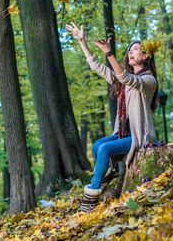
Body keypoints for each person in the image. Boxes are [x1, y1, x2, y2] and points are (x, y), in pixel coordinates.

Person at [65, 22, 159, 212]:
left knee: (105, 149)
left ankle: (90, 197)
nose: (131, 52)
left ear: (145, 56)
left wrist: (109, 53)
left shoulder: (149, 80)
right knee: (98, 145)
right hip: (123, 134)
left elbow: (128, 78)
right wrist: (82, 41)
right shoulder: (122, 80)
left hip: (139, 136)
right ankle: (106, 174)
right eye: (130, 50)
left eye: (136, 49)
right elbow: (97, 67)